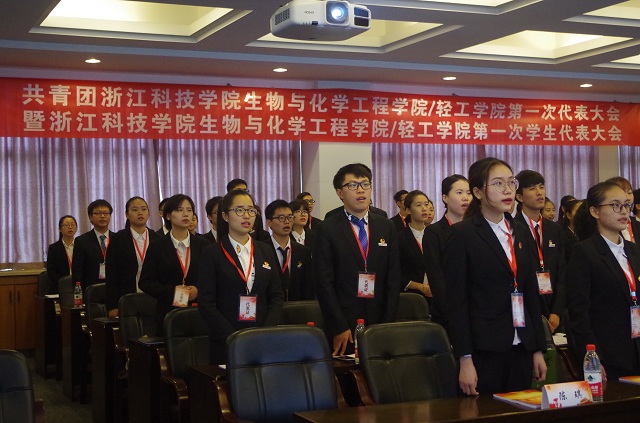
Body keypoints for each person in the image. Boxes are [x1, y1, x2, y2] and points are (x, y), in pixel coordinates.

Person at [444, 157, 546, 395]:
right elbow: (457, 302)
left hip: (521, 345)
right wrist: (465, 358)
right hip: (484, 348)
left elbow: (530, 293)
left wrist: (537, 348)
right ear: (478, 192)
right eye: (498, 183)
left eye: (511, 182)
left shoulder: (521, 231)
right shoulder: (462, 234)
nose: (507, 190)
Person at [314, 163, 401, 355]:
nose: (360, 190)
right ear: (340, 192)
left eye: (365, 184)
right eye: (353, 185)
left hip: (380, 319)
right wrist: (339, 325)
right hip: (344, 321)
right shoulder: (327, 228)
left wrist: (387, 323)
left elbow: (393, 278)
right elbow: (323, 282)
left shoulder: (386, 226)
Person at [198, 189, 284, 364]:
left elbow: (276, 295)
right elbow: (206, 303)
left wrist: (264, 332)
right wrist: (234, 337)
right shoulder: (212, 253)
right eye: (239, 210)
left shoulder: (265, 250)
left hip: (262, 340)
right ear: (225, 216)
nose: (246, 216)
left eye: (251, 210)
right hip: (227, 342)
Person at [568, 181, 640, 381]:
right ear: (595, 211)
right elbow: (579, 313)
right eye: (615, 205)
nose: (623, 211)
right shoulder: (584, 252)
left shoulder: (634, 250)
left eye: (626, 205)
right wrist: (592, 357)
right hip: (608, 354)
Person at [139, 194, 209, 331]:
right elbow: (145, 282)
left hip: (199, 313)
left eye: (189, 210)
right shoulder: (157, 246)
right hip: (168, 313)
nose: (186, 214)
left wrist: (198, 290)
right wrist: (172, 291)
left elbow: (211, 278)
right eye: (179, 210)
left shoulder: (203, 245)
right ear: (168, 216)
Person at [514, 170, 567, 334]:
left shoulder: (554, 229)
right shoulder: (513, 229)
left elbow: (562, 271)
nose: (539, 192)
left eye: (541, 187)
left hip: (554, 310)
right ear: (519, 197)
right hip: (527, 310)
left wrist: (556, 311)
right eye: (532, 188)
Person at [424, 174, 471, 329]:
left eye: (468, 193)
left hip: (476, 310)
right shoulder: (434, 232)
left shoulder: (476, 230)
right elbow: (436, 276)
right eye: (459, 192)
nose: (465, 198)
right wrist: (453, 311)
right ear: (445, 197)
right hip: (447, 312)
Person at [105, 196, 160, 318]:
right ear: (127, 215)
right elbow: (111, 274)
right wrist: (112, 306)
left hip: (153, 298)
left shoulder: (157, 238)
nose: (140, 213)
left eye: (143, 209)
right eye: (135, 210)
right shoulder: (118, 239)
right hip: (127, 298)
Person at [264, 199, 313, 301]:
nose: (286, 221)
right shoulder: (261, 250)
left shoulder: (303, 251)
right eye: (281, 218)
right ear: (269, 222)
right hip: (270, 306)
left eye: (290, 217)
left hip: (297, 307)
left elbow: (308, 287)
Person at [398, 191, 435, 300]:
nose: (424, 209)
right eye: (419, 205)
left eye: (426, 204)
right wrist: (420, 287)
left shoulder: (434, 235)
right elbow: (396, 273)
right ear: (408, 210)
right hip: (412, 297)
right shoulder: (400, 238)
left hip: (435, 295)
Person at [72, 199, 115, 293]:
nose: (102, 216)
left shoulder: (118, 239)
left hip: (114, 289)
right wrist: (79, 294)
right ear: (90, 217)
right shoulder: (81, 241)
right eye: (98, 213)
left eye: (105, 213)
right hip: (91, 290)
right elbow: (77, 272)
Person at [46, 215, 78, 294]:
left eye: (72, 224)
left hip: (78, 286)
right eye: (66, 225)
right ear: (60, 229)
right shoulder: (54, 248)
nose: (70, 227)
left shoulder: (81, 246)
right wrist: (64, 282)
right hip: (59, 287)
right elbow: (51, 271)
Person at [606, 176, 640, 243]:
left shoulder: (637, 225)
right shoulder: (608, 226)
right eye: (622, 192)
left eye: (629, 193)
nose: (627, 197)